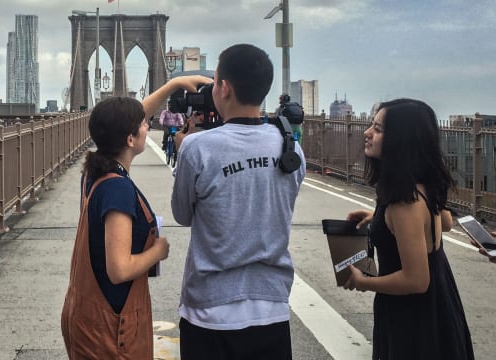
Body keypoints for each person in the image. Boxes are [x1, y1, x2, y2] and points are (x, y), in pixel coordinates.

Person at [142, 43, 305, 360]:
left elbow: (182, 215)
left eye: (214, 81)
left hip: (210, 311)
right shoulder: (290, 148)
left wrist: (184, 147)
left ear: (224, 88)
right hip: (272, 307)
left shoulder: (198, 147)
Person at [343, 98, 474, 359]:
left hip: (413, 321)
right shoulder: (423, 187)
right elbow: (443, 222)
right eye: (372, 125)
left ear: (400, 141)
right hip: (439, 307)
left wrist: (363, 282)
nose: (367, 133)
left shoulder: (404, 202)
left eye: (378, 129)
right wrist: (378, 218)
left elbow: (416, 280)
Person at [61, 96, 170, 359]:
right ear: (130, 139)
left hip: (89, 319)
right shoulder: (117, 187)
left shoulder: (95, 173)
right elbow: (119, 269)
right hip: (112, 330)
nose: (148, 125)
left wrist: (173, 86)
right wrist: (159, 251)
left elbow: (118, 119)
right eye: (144, 124)